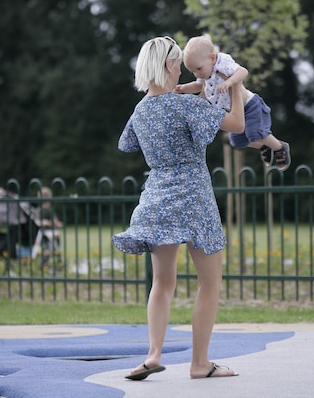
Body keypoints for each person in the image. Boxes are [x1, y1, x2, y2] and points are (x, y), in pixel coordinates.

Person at [112, 36, 244, 380]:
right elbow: (237, 126)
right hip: (194, 197)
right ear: (171, 66)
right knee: (209, 283)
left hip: (158, 198)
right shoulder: (185, 106)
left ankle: (153, 354)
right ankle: (200, 363)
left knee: (162, 282)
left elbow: (127, 143)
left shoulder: (140, 111)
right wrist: (236, 87)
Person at [175, 33, 291, 171]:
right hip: (235, 111)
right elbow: (199, 85)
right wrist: (183, 88)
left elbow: (243, 71)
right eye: (193, 71)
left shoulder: (222, 63)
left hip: (250, 105)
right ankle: (263, 145)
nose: (197, 74)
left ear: (212, 57)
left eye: (199, 69)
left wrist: (230, 81)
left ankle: (279, 147)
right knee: (237, 141)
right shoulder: (205, 73)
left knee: (255, 133)